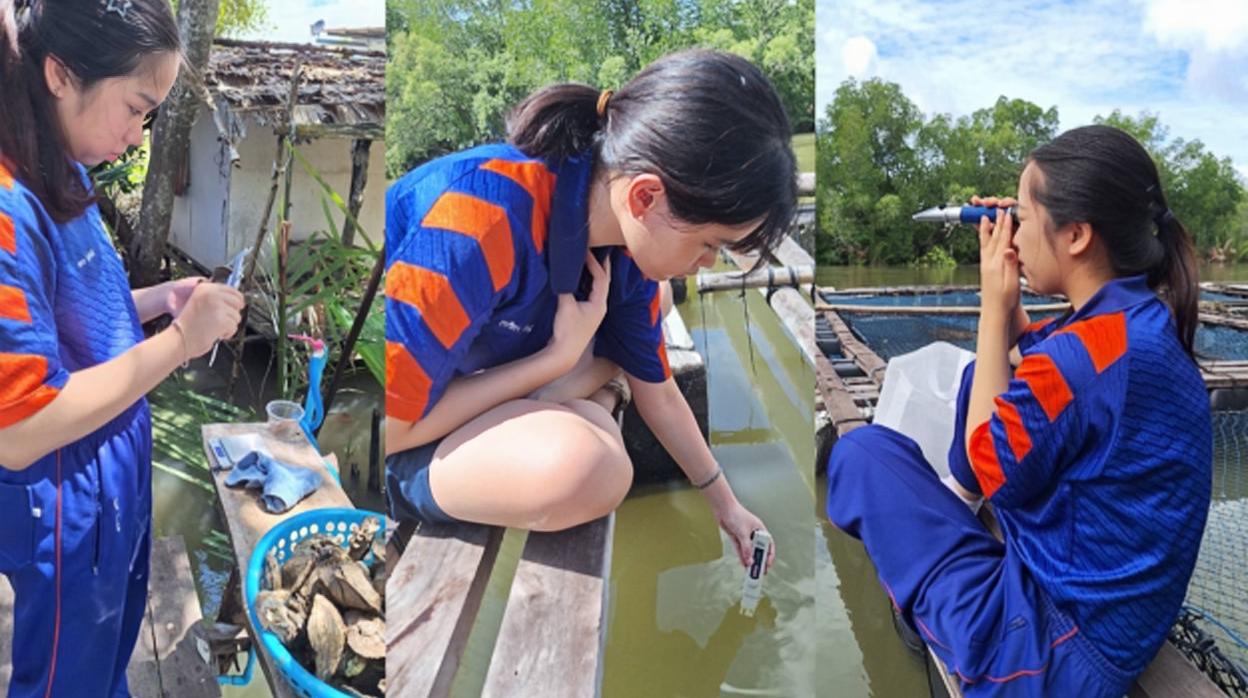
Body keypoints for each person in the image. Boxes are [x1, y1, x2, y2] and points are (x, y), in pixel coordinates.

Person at [825, 125, 1211, 696]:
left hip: (1045, 659)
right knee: (975, 386)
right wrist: (1011, 283)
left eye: (1023, 218)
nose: (1015, 234)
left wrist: (993, 303)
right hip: (1110, 632)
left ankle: (925, 602)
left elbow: (988, 464)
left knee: (861, 455)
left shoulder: (1083, 355)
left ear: (1076, 234)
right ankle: (948, 549)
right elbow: (1033, 378)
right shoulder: (1136, 325)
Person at [385, 49, 795, 568]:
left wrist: (727, 506)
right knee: (588, 468)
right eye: (710, 244)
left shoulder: (625, 252)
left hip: (460, 394)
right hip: (401, 443)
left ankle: (586, 392)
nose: (706, 264)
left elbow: (660, 392)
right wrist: (555, 362)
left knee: (613, 408)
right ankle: (580, 397)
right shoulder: (478, 217)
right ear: (646, 197)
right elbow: (393, 428)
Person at [0, 1, 244, 694]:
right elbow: (19, 428)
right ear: (59, 73)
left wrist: (159, 302)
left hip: (115, 484)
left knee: (107, 659)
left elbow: (72, 315)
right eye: (136, 109)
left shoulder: (67, 170)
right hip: (65, 499)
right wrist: (179, 343)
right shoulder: (9, 207)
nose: (138, 136)